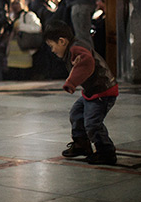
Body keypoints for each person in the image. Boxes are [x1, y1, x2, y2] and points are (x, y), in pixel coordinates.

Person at [43, 20, 118, 165]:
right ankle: (81, 144)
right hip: (92, 91)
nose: (52, 50)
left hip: (103, 91)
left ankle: (106, 152)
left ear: (62, 41)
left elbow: (86, 63)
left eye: (52, 46)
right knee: (76, 113)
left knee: (92, 122)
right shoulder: (73, 47)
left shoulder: (76, 49)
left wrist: (71, 82)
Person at [4, 0, 40, 81]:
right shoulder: (11, 17)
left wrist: (21, 27)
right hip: (12, 56)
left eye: (17, 2)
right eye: (13, 3)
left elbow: (37, 28)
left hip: (24, 54)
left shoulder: (28, 15)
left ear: (22, 2)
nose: (15, 6)